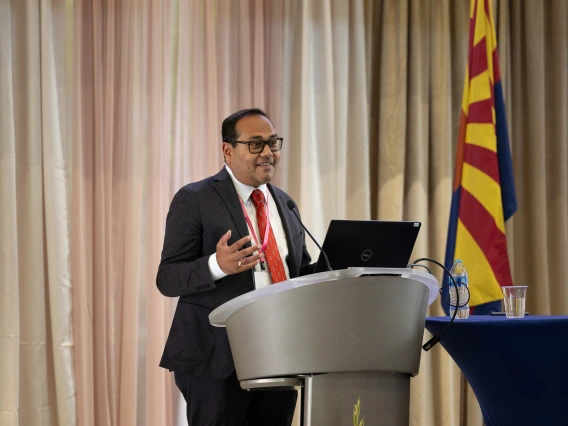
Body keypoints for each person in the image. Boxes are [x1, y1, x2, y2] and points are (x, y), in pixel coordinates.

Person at [157, 108, 315, 425]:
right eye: (256, 144)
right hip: (217, 361)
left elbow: (301, 273)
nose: (268, 152)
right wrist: (217, 265)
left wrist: (348, 270)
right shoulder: (196, 198)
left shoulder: (284, 203)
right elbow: (168, 278)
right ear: (228, 150)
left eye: (273, 143)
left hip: (280, 355)